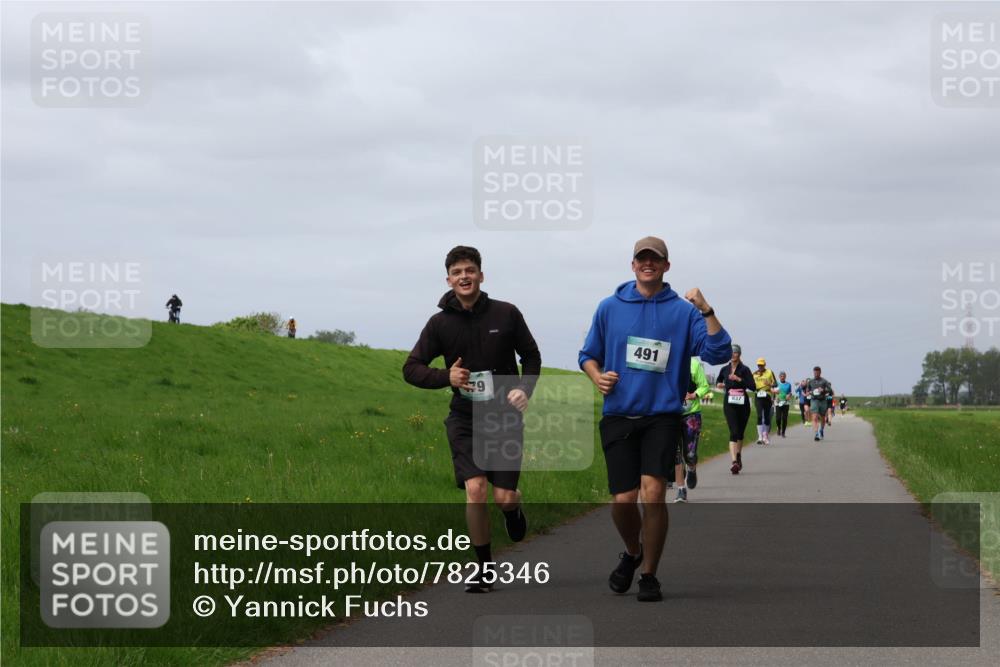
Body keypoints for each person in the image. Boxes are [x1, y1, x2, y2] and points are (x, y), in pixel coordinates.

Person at [580, 236, 731, 602]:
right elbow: (588, 355)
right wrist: (596, 376)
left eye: (655, 259)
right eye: (641, 258)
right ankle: (633, 552)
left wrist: (706, 309)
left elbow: (718, 350)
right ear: (632, 265)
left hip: (662, 416)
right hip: (618, 414)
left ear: (666, 266)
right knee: (622, 500)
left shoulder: (682, 312)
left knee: (652, 494)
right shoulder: (608, 307)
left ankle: (649, 574)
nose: (648, 263)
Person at [403, 246, 541, 593]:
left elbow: (532, 356)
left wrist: (524, 389)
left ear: (481, 275)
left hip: (505, 418)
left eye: (470, 270)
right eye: (457, 272)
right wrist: (444, 377)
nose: (464, 276)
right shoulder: (439, 323)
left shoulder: (506, 314)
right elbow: (411, 368)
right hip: (465, 419)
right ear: (448, 279)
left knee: (503, 497)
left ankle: (514, 510)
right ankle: (483, 569)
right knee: (476, 490)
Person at [672, 357, 711, 503]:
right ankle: (681, 490)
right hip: (670, 414)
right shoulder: (666, 360)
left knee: (690, 454)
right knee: (675, 453)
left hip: (691, 415)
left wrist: (694, 395)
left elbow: (704, 385)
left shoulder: (693, 364)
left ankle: (692, 468)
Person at [717, 346, 755, 474]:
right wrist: (721, 384)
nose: (733, 355)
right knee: (733, 431)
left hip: (743, 403)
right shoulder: (724, 369)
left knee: (740, 432)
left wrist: (739, 379)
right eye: (731, 352)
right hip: (730, 403)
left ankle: (738, 455)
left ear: (739, 354)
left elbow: (753, 386)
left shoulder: (745, 369)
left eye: (736, 353)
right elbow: (718, 381)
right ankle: (734, 462)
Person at [752, 358, 777, 445]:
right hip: (758, 395)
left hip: (767, 395)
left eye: (762, 365)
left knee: (766, 416)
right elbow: (751, 385)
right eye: (759, 365)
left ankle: (765, 436)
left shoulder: (769, 372)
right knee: (759, 416)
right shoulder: (754, 374)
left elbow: (775, 384)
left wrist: (769, 384)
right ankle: (759, 437)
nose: (760, 367)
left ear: (764, 365)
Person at [806, 366, 833, 441]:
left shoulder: (824, 381)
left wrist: (823, 390)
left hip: (823, 400)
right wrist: (809, 392)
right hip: (814, 400)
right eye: (815, 372)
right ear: (813, 372)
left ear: (820, 372)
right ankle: (816, 434)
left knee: (822, 418)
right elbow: (807, 392)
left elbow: (830, 391)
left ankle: (821, 430)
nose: (816, 374)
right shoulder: (810, 381)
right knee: (814, 417)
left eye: (817, 372)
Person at [774, 371, 793, 437]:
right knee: (778, 418)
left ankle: (783, 432)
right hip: (778, 403)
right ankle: (779, 428)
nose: (782, 377)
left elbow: (790, 393)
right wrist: (776, 397)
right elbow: (774, 391)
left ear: (785, 377)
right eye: (781, 376)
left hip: (786, 403)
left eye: (783, 376)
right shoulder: (776, 383)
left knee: (784, 418)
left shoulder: (788, 384)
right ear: (779, 377)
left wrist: (789, 395)